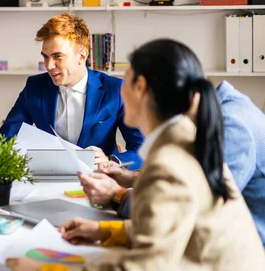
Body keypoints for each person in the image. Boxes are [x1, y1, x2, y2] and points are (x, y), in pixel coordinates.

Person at [6, 39, 265, 271]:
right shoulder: (186, 143)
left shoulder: (170, 164)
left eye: (125, 79)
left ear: (140, 87)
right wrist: (104, 230)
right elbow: (178, 227)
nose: (118, 88)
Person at [79, 80, 265, 245]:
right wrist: (131, 178)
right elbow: (187, 183)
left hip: (245, 251)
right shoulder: (216, 109)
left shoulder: (232, 129)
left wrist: (117, 195)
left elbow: (182, 214)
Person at [0, 13, 144, 169]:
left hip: (100, 182)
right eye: (45, 57)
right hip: (46, 180)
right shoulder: (34, 86)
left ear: (82, 56)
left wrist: (110, 161)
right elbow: (4, 141)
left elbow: (143, 150)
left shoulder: (116, 90)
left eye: (57, 56)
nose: (49, 65)